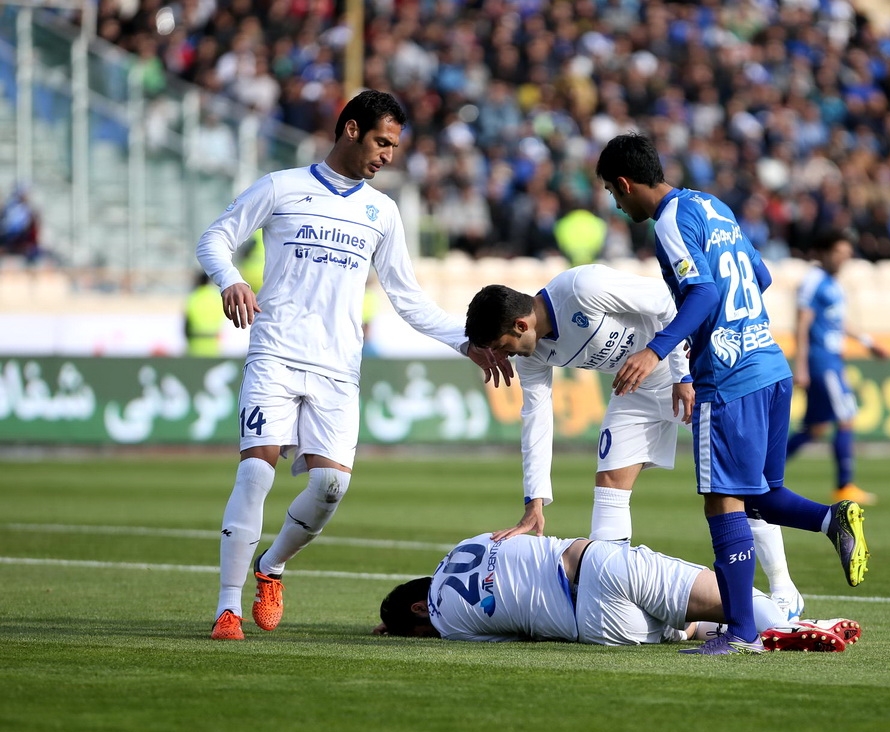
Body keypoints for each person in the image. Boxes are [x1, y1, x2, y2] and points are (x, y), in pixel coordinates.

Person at [195, 89, 512, 641]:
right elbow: (214, 239)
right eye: (382, 142)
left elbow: (407, 297)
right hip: (275, 352)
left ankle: (271, 567)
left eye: (394, 146)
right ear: (350, 129)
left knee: (329, 488)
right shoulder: (281, 187)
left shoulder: (381, 212)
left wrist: (467, 342)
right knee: (255, 471)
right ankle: (228, 609)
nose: (388, 155)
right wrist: (232, 279)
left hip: (339, 368)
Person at [594, 132, 870, 656]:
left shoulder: (670, 221)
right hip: (770, 365)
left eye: (613, 191)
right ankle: (832, 518)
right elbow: (758, 275)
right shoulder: (712, 205)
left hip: (728, 378)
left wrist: (657, 351)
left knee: (723, 501)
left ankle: (742, 631)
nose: (615, 202)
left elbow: (703, 291)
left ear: (626, 183)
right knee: (760, 496)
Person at [463, 267, 804, 621]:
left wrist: (681, 374)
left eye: (504, 347)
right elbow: (536, 418)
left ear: (520, 325)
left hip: (692, 366)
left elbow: (668, 305)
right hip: (636, 389)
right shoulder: (533, 356)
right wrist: (534, 501)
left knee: (739, 484)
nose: (508, 356)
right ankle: (609, 596)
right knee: (610, 481)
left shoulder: (581, 288)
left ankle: (784, 591)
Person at [374, 531, 862, 653]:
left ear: (421, 605)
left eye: (417, 630)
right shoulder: (467, 545)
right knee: (723, 594)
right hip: (593, 563)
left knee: (688, 627)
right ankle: (794, 623)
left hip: (599, 629)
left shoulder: (451, 625)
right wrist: (400, 621)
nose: (427, 633)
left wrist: (398, 627)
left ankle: (751, 636)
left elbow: (516, 635)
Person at [785, 229, 888, 506]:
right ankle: (844, 485)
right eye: (839, 253)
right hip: (823, 363)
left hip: (831, 360)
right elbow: (803, 324)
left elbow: (836, 322)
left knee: (815, 428)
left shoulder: (831, 283)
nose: (844, 259)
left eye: (847, 254)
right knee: (846, 417)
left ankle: (762, 471)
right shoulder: (814, 281)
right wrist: (802, 365)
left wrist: (867, 341)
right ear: (824, 253)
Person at [184, 270, 226, 357]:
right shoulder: (216, 297)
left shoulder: (193, 297)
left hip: (195, 342)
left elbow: (187, 321)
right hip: (213, 342)